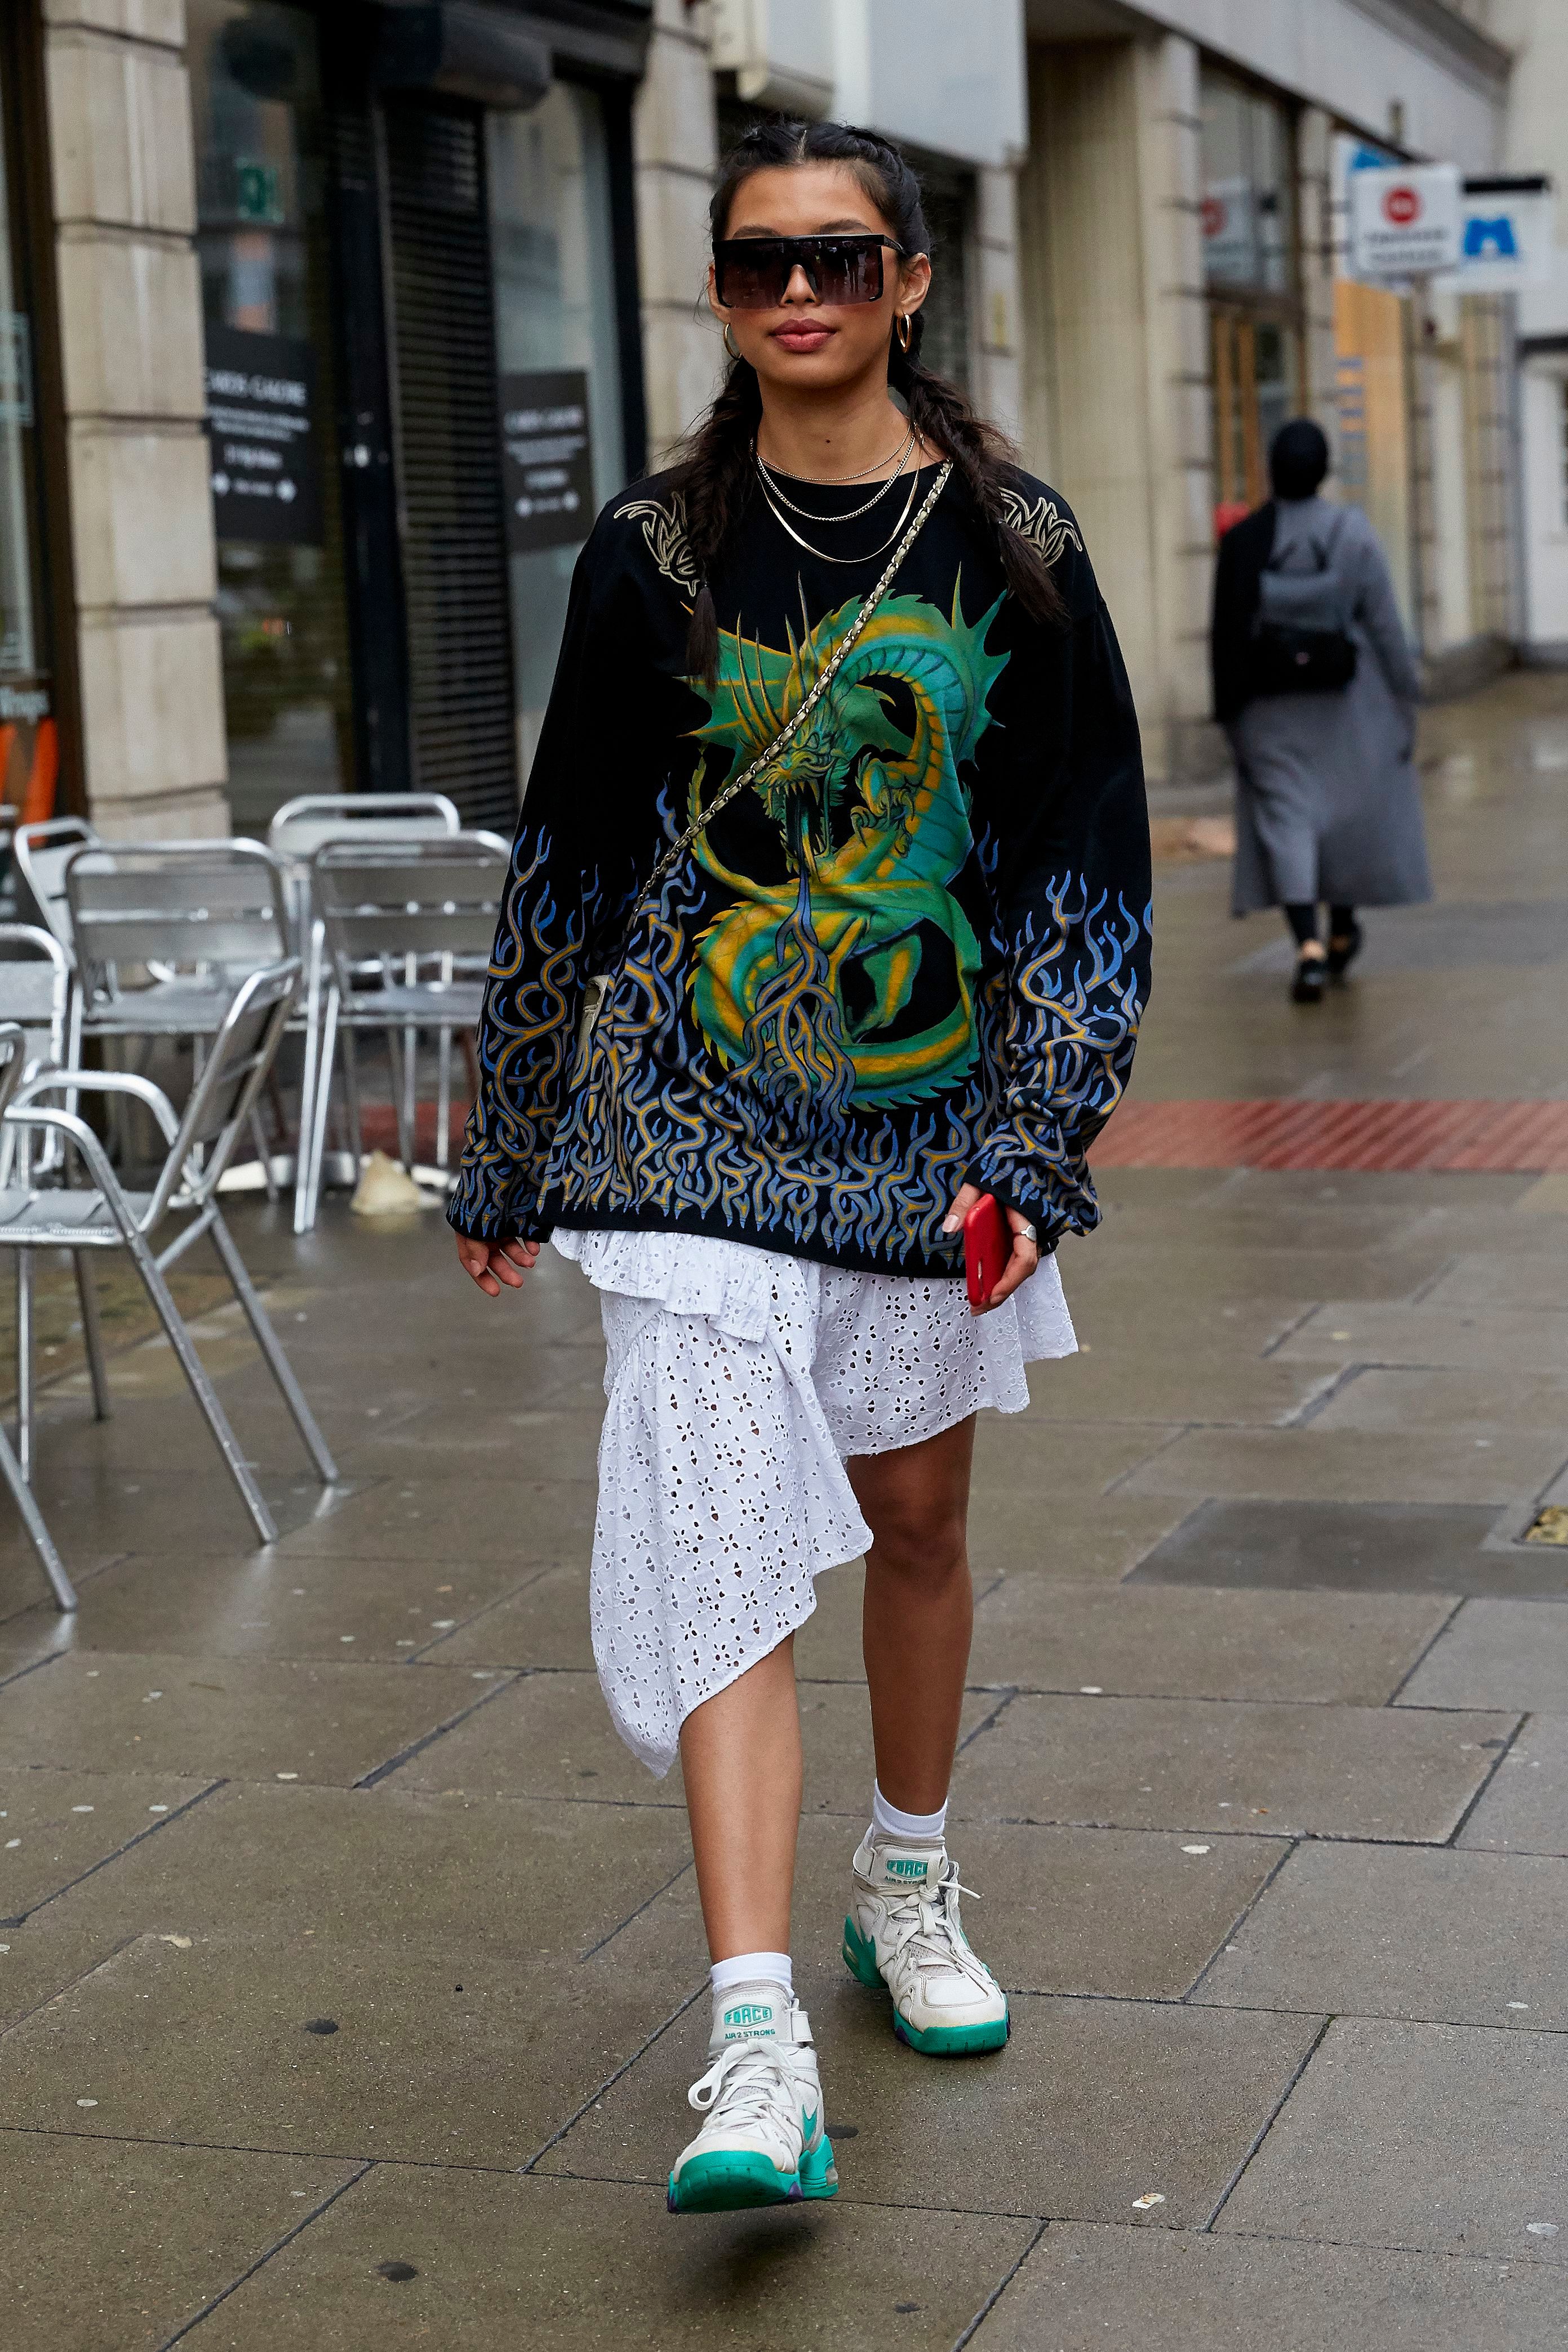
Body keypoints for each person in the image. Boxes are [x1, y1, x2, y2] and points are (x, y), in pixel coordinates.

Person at [450, 119, 1149, 2215]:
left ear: (908, 278)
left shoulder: (1015, 542)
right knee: (724, 1534)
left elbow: (1087, 868)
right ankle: (754, 2034)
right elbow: (569, 852)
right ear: (720, 293)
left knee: (916, 1521)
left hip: (932, 1126)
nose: (799, 292)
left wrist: (1040, 1134)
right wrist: (511, 1133)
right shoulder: (653, 556)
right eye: (760, 261)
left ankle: (904, 1876)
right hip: (681, 1124)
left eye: (839, 255)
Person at [1211, 418, 1429, 1004]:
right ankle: (1340, 930)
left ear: (1271, 470)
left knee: (1289, 823)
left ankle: (1306, 947)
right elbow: (1384, 624)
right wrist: (1406, 696)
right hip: (1347, 707)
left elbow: (1224, 636)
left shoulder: (1245, 541)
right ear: (1324, 470)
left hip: (1267, 712)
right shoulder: (1352, 534)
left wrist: (1228, 719)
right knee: (1344, 817)